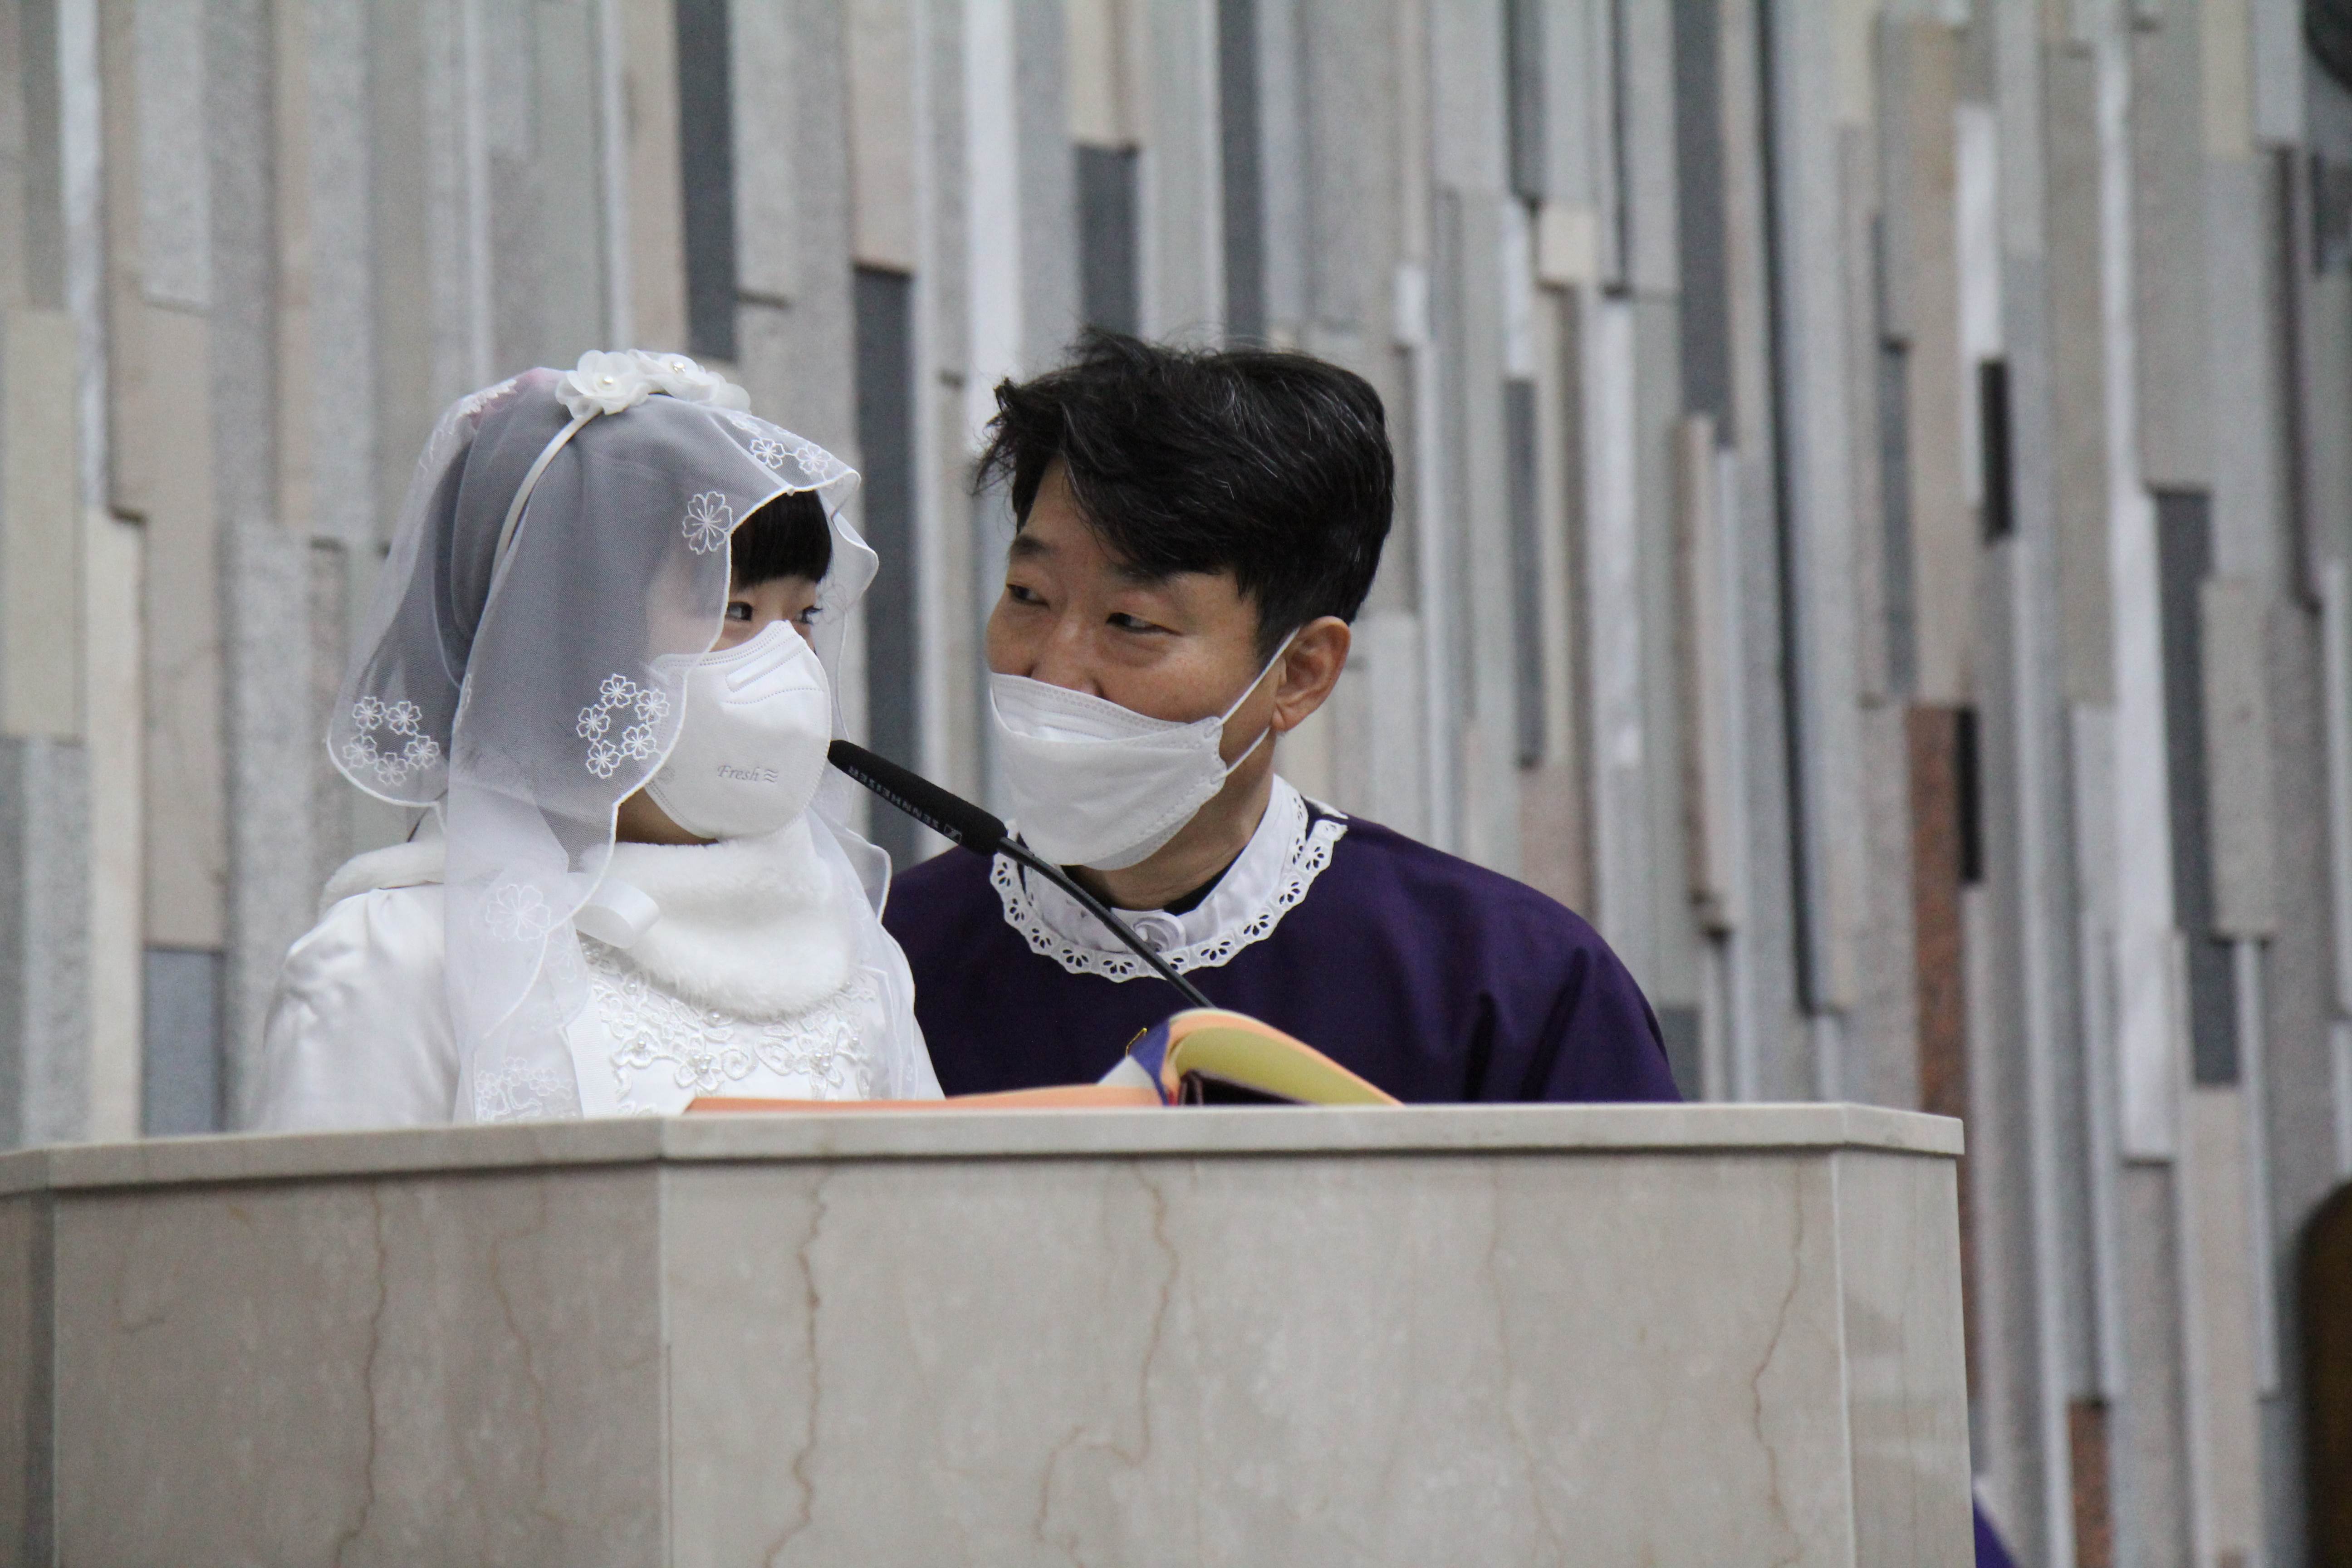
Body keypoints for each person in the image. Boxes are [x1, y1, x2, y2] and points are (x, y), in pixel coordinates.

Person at [884, 332, 1677, 1102]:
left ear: (1300, 673)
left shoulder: (1511, 985)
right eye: (1027, 597)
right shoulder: (877, 956)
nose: (1056, 671)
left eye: (1132, 622)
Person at [256, 350, 941, 1129]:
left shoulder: (846, 948)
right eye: (735, 610)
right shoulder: (400, 957)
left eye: (805, 615)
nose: (789, 663)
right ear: (572, 635)